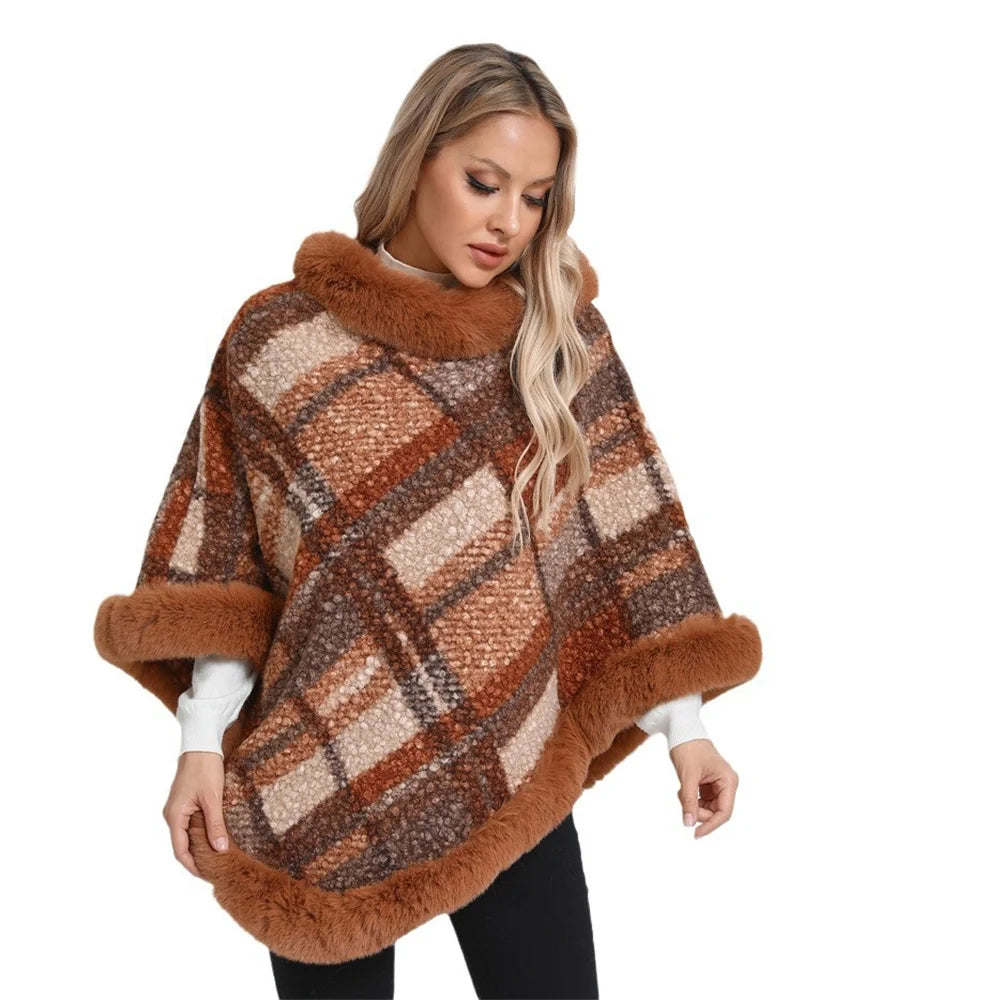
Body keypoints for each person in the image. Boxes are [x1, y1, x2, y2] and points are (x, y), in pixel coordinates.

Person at [95, 42, 762, 1000]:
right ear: (417, 160)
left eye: (535, 198)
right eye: (484, 182)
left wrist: (685, 729)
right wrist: (200, 739)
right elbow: (234, 566)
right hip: (322, 774)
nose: (508, 222)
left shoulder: (557, 339)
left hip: (508, 761)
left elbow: (624, 544)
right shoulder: (280, 340)